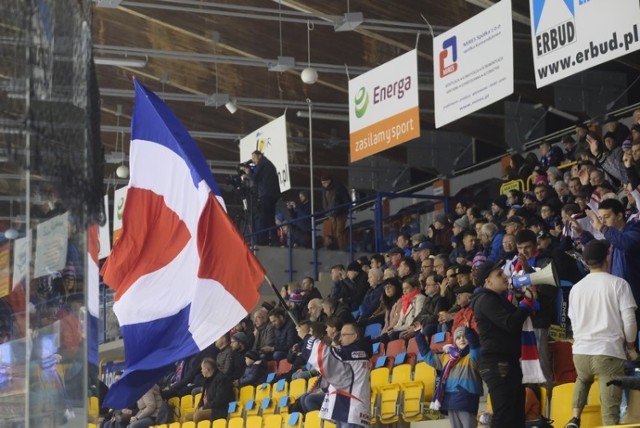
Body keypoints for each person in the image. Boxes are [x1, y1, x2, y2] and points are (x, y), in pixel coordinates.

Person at [565, 240, 638, 428]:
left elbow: (572, 321)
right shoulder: (619, 284)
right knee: (610, 411)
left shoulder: (576, 288)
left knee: (582, 379)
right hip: (608, 352)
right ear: (607, 256)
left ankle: (575, 418)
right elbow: (630, 321)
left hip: (580, 352)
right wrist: (631, 347)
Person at [472, 261, 536, 428]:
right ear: (488, 281)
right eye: (499, 274)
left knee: (515, 417)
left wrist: (521, 299)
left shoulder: (495, 299)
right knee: (505, 417)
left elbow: (516, 317)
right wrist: (526, 304)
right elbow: (511, 323)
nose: (505, 276)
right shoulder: (486, 299)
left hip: (506, 362)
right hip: (498, 364)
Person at [301, 323, 371, 427]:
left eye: (343, 335)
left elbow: (327, 354)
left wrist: (307, 337)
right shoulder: (357, 353)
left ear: (354, 336)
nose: (340, 339)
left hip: (351, 410)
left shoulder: (355, 353)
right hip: (346, 409)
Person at [414, 325, 482, 428]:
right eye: (458, 338)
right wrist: (419, 336)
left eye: (464, 337)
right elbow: (428, 357)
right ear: (455, 341)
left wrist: (469, 332)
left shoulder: (471, 357)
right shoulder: (447, 358)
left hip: (467, 397)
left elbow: (475, 347)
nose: (462, 339)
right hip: (450, 399)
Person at [241, 150, 281, 246]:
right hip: (273, 194)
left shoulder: (262, 163)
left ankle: (263, 240)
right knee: (270, 218)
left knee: (263, 217)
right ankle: (275, 240)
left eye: (254, 158)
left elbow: (254, 178)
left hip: (266, 194)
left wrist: (248, 171)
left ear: (259, 156)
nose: (253, 161)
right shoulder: (267, 164)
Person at [183, 357, 234, 423]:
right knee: (187, 417)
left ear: (207, 369)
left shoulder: (221, 379)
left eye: (202, 369)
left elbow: (219, 400)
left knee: (198, 416)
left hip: (220, 410)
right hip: (208, 408)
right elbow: (202, 397)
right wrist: (199, 407)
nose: (201, 371)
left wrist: (204, 408)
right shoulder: (207, 380)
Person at [321, 175, 351, 250]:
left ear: (329, 181)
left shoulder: (339, 187)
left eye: (324, 182)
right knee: (335, 233)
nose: (323, 184)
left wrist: (343, 209)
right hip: (333, 214)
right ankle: (339, 248)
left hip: (341, 213)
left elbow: (346, 200)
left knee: (339, 233)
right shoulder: (326, 190)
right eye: (322, 183)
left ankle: (342, 249)